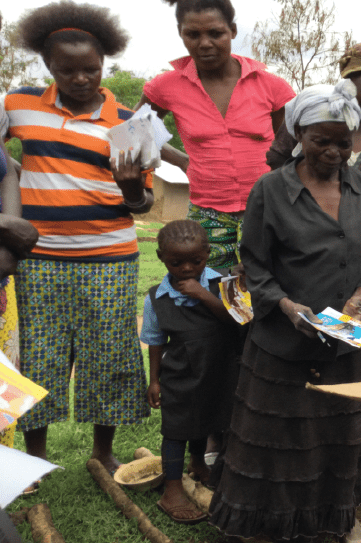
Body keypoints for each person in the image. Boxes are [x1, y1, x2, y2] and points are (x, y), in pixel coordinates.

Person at [208, 80, 361, 542]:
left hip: (346, 345)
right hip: (281, 343)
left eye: (342, 141)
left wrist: (359, 300)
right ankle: (267, 525)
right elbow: (254, 263)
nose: (334, 151)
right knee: (281, 439)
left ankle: (335, 521)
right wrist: (289, 308)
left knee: (337, 436)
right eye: (321, 140)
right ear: (298, 136)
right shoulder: (271, 189)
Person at [3, 1, 154, 483]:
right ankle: (36, 457)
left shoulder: (131, 121)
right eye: (67, 70)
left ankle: (103, 452)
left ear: (104, 63)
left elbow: (144, 204)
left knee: (106, 352)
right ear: (48, 66)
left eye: (91, 68)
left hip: (110, 257)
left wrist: (131, 187)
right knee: (42, 354)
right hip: (39, 259)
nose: (81, 78)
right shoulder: (19, 104)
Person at [138, 0, 295, 270]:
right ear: (181, 34)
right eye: (193, 34)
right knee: (208, 284)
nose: (205, 43)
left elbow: (292, 145)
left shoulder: (271, 86)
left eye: (215, 33)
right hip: (206, 209)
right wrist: (183, 161)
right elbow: (137, 130)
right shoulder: (166, 86)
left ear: (233, 31)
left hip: (267, 206)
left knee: (268, 284)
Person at [140, 220, 238, 524]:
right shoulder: (156, 297)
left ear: (208, 254)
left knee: (209, 417)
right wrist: (154, 380)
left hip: (220, 369)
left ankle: (198, 464)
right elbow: (156, 341)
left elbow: (238, 320)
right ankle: (172, 490)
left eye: (195, 261)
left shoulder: (224, 282)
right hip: (180, 372)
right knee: (177, 427)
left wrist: (203, 294)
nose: (186, 268)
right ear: (159, 257)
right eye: (175, 262)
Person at [267, 40, 361, 226]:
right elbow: (277, 169)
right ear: (349, 78)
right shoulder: (311, 115)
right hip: (300, 233)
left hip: (358, 241)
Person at [0, 18, 39, 447]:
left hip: (1, 280)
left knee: (3, 380)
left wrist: (13, 240)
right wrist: (8, 224)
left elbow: (4, 165)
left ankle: (2, 477)